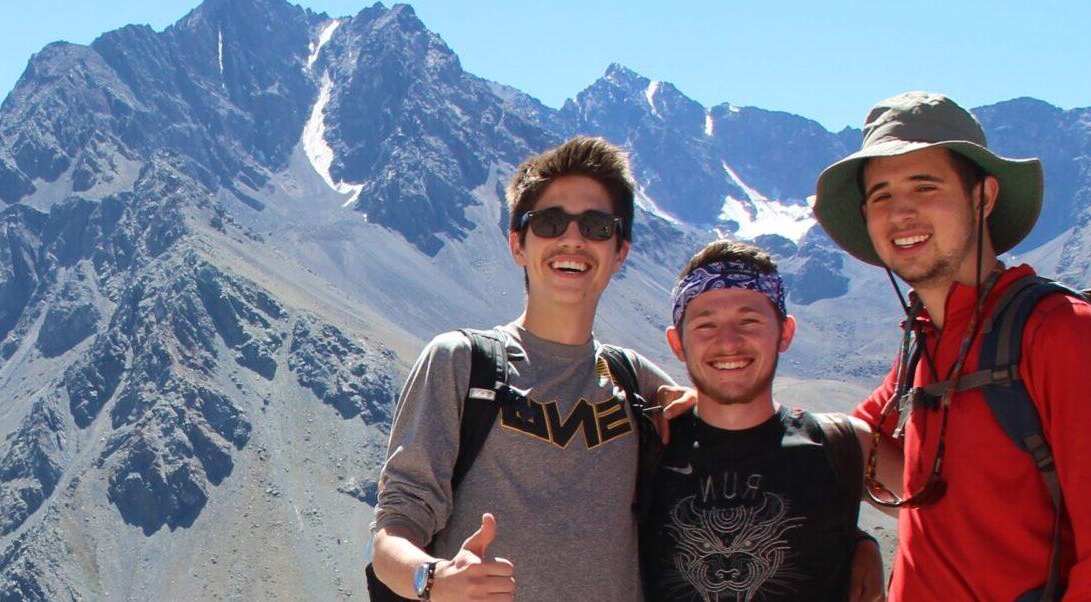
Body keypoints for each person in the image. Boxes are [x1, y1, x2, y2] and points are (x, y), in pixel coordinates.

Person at [811, 91, 1091, 599]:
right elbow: (849, 441)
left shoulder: (1064, 334)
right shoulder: (924, 342)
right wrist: (698, 412)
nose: (901, 212)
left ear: (983, 196)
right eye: (881, 196)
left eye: (924, 186)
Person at [368, 136, 678, 602]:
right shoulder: (461, 362)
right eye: (551, 222)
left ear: (620, 252)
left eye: (596, 226)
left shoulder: (636, 380)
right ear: (518, 244)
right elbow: (393, 533)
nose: (573, 239)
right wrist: (433, 578)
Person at [639, 239, 882, 602]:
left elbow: (949, 507)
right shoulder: (642, 451)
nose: (729, 342)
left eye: (749, 320)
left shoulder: (844, 445)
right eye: (706, 325)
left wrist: (860, 541)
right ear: (678, 343)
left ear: (784, 332)